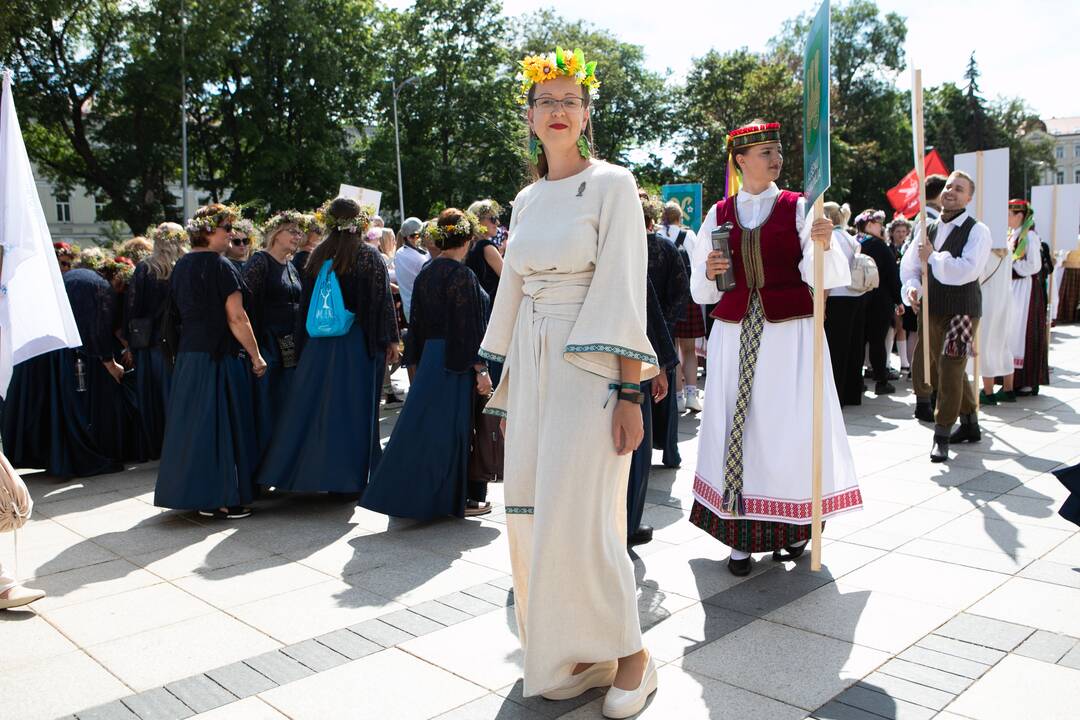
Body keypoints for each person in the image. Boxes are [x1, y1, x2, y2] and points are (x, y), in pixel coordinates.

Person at [478, 49, 658, 715]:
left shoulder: (613, 183)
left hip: (591, 365)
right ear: (528, 118)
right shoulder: (525, 198)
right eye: (544, 101)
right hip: (533, 364)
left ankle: (634, 657)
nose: (557, 110)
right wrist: (497, 369)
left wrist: (631, 392)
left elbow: (624, 294)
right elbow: (516, 287)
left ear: (585, 114)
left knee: (583, 517)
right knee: (532, 511)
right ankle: (573, 652)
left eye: (568, 100)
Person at [689, 120, 860, 577]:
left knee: (787, 430)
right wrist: (709, 268)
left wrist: (823, 245)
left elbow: (827, 277)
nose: (775, 158)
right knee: (736, 426)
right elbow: (701, 291)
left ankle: (793, 530)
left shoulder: (800, 206)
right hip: (733, 332)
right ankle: (740, 539)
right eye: (764, 151)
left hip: (790, 336)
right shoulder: (718, 213)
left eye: (777, 150)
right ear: (740, 160)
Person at [256, 199, 399, 495]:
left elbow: (305, 307)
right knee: (354, 410)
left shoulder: (317, 255)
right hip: (356, 343)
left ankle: (304, 474)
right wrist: (389, 340)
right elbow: (380, 303)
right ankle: (349, 480)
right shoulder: (367, 256)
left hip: (319, 345)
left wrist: (302, 347)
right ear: (358, 222)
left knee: (315, 411)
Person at [362, 209, 492, 518]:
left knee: (423, 429)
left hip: (432, 359)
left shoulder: (427, 271)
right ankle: (449, 499)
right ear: (469, 239)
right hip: (455, 361)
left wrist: (414, 365)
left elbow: (415, 323)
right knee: (452, 432)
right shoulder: (462, 276)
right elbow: (468, 328)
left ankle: (421, 496)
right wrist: (482, 370)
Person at [154, 203, 266, 519]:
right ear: (207, 231)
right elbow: (237, 316)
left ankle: (201, 497)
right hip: (219, 357)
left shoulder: (181, 267)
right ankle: (226, 498)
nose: (232, 235)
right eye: (226, 229)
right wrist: (257, 356)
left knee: (195, 428)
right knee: (224, 425)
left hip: (191, 356)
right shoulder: (221, 266)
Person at [901, 171, 991, 461]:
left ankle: (941, 434)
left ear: (969, 197)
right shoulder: (927, 228)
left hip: (962, 308)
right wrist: (913, 289)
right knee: (936, 367)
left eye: (959, 188)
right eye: (949, 186)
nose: (951, 191)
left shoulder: (978, 231)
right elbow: (911, 267)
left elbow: (967, 269)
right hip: (931, 306)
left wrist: (934, 256)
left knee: (950, 366)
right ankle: (970, 424)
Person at [243, 210, 303, 457]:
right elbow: (245, 305)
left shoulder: (290, 265)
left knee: (289, 406)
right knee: (268, 405)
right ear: (276, 234)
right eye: (292, 231)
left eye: (299, 232)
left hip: (291, 344)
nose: (297, 236)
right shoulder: (259, 261)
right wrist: (253, 350)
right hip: (266, 343)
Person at [126, 222, 187, 459]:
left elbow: (132, 309)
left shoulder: (145, 269)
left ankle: (158, 446)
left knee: (152, 397)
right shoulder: (186, 266)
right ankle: (179, 444)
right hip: (179, 341)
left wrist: (129, 342)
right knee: (175, 395)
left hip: (149, 343)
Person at [643, 196, 688, 470]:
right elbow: (681, 293)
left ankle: (655, 449)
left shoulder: (664, 248)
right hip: (659, 332)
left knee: (655, 390)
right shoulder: (668, 248)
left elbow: (681, 291)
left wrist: (662, 324)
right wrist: (666, 325)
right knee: (662, 393)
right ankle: (668, 452)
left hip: (641, 328)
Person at [656, 201, 704, 413]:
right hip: (688, 298)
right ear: (679, 217)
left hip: (664, 300)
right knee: (689, 349)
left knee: (672, 350)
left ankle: (677, 398)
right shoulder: (689, 236)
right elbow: (697, 265)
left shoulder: (659, 236)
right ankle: (692, 395)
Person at [823, 202, 869, 405]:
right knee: (853, 346)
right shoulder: (849, 237)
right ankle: (852, 392)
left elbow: (830, 271)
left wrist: (823, 300)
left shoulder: (833, 237)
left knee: (836, 349)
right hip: (854, 296)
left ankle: (837, 395)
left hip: (836, 296)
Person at [974, 202, 1017, 405]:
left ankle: (988, 392)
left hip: (988, 299)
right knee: (1003, 342)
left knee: (987, 343)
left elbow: (978, 276)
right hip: (1005, 298)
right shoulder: (1007, 247)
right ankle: (1008, 389)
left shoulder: (985, 250)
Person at [857, 209, 902, 395]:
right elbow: (892, 275)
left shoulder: (853, 242)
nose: (881, 227)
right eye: (877, 223)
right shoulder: (880, 246)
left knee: (858, 341)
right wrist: (899, 300)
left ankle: (856, 381)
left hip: (858, 298)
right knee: (877, 341)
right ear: (868, 225)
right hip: (880, 299)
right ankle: (881, 381)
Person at [1007, 199, 1050, 396]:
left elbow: (1034, 265)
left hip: (1025, 290)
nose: (1007, 218)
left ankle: (1026, 381)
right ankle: (1012, 379)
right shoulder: (1013, 235)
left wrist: (1010, 267)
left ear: (1020, 216)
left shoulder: (1030, 237)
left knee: (1024, 332)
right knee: (1012, 331)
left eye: (1010, 214)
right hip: (1014, 288)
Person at [887, 217, 915, 374]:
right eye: (898, 231)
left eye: (904, 231)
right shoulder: (889, 248)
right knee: (893, 327)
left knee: (903, 327)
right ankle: (890, 360)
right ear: (892, 233)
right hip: (893, 291)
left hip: (906, 290)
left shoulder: (908, 248)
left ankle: (905, 363)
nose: (901, 234)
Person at [465, 199, 505, 303]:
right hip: (490, 306)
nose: (497, 222)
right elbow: (508, 277)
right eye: (493, 219)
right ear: (478, 220)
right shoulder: (486, 247)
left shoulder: (468, 246)